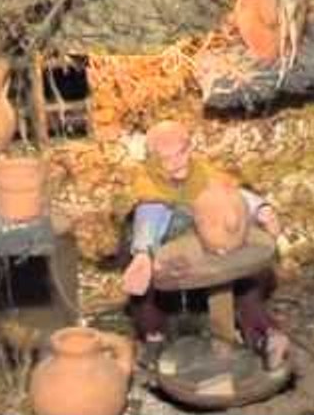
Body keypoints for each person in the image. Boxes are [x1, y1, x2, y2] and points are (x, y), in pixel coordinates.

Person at [122, 120, 290, 369]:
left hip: (209, 249)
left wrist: (261, 209)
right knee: (145, 289)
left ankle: (264, 335)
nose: (176, 162)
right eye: (166, 158)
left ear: (190, 148)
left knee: (246, 280)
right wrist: (143, 253)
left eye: (181, 153)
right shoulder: (150, 185)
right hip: (168, 253)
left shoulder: (204, 174)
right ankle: (155, 341)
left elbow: (232, 194)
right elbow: (148, 218)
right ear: (154, 160)